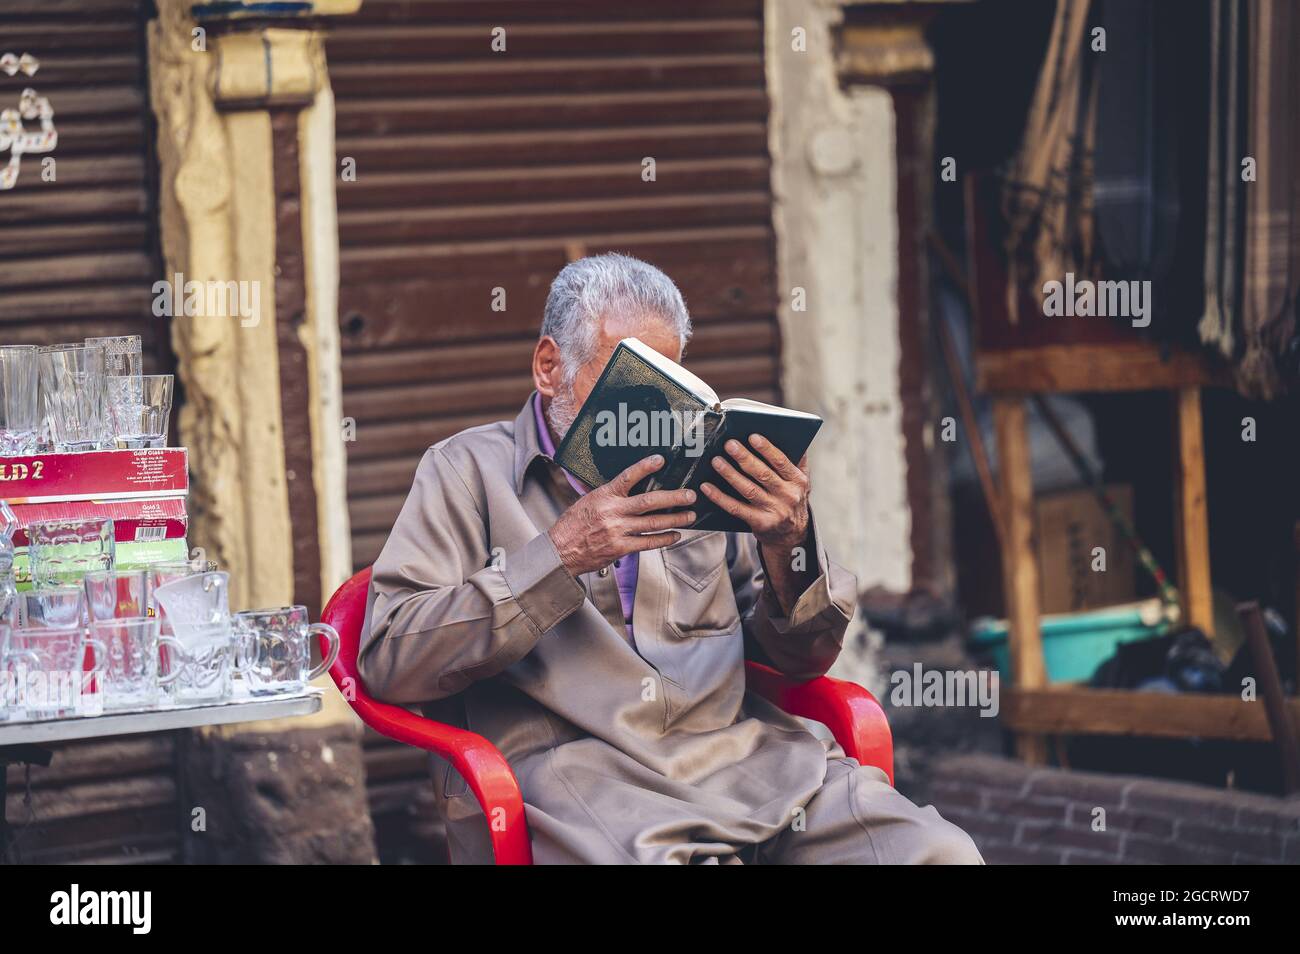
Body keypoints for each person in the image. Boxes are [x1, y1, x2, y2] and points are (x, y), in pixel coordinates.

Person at [359, 253, 982, 864]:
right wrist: (559, 556)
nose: (652, 419)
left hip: (748, 761)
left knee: (939, 851)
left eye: (667, 388)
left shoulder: (698, 469)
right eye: (628, 386)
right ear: (549, 366)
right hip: (588, 781)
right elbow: (389, 660)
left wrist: (789, 543)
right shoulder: (466, 472)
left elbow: (797, 661)